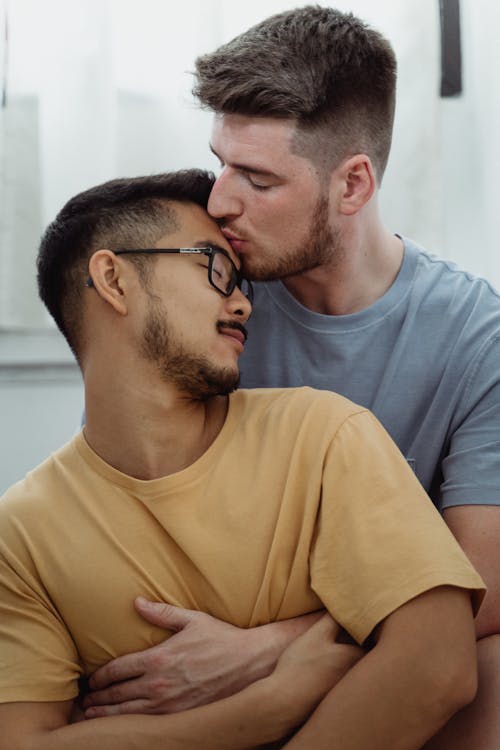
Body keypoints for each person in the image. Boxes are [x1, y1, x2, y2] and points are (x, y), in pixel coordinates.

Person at [82, 7, 500, 749]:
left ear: (352, 185)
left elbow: (483, 580)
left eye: (257, 178)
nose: (217, 202)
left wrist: (276, 650)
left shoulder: (476, 332)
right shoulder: (202, 303)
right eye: (220, 163)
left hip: (376, 650)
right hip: (213, 619)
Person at [0, 169, 486, 749]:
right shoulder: (21, 534)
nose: (242, 306)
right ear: (113, 279)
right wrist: (270, 704)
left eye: (241, 285)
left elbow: (438, 664)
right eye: (214, 269)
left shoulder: (324, 434)